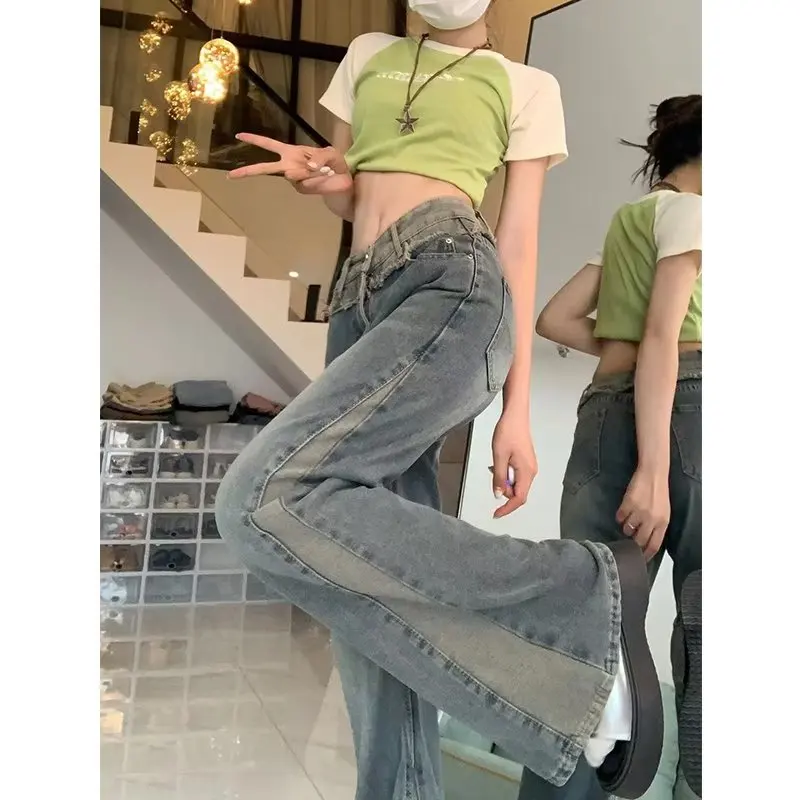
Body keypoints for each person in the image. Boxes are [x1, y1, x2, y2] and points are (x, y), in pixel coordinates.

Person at [215, 2, 662, 798]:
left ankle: (579, 591)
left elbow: (517, 240)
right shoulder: (369, 52)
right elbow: (354, 193)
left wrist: (515, 410)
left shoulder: (525, 84)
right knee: (360, 580)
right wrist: (328, 182)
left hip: (451, 277)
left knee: (261, 497)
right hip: (359, 300)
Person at [525, 95, 702, 800]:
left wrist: (619, 351)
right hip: (691, 409)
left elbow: (554, 318)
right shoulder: (698, 213)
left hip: (603, 415)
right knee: (711, 623)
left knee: (586, 627)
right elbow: (664, 335)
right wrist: (654, 468)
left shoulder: (632, 220)